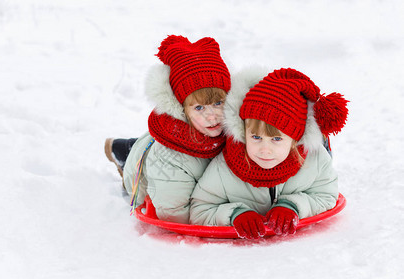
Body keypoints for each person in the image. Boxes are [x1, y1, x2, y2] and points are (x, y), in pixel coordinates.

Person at [189, 67, 348, 239]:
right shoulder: (225, 167)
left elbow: (326, 196)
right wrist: (234, 215)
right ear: (243, 132)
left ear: (295, 139)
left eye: (276, 139)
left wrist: (293, 206)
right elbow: (199, 210)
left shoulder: (313, 160)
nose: (265, 149)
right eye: (256, 137)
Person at [105, 35, 231, 224]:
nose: (212, 116)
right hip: (147, 178)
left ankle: (130, 146)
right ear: (181, 108)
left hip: (171, 146)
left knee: (149, 143)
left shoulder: (231, 129)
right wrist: (231, 215)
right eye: (199, 107)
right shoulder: (169, 159)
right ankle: (124, 154)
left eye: (218, 103)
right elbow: (173, 213)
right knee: (145, 159)